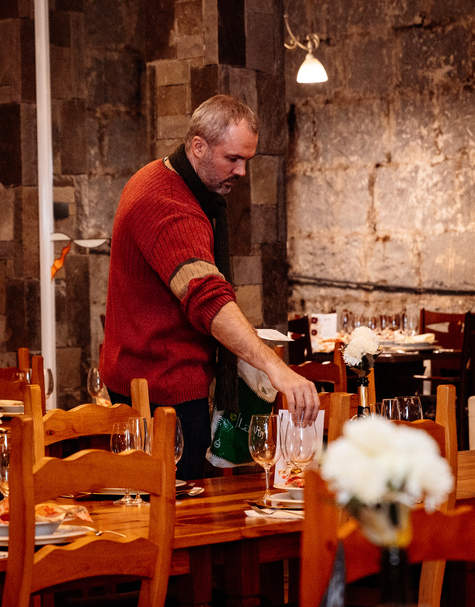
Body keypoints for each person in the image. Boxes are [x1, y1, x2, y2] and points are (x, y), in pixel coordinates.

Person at [100, 94, 319, 480]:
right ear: (198, 146)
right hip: (159, 393)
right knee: (175, 516)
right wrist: (274, 367)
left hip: (152, 381)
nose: (241, 172)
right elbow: (207, 297)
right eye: (232, 159)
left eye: (246, 161)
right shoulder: (168, 204)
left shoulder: (164, 177)